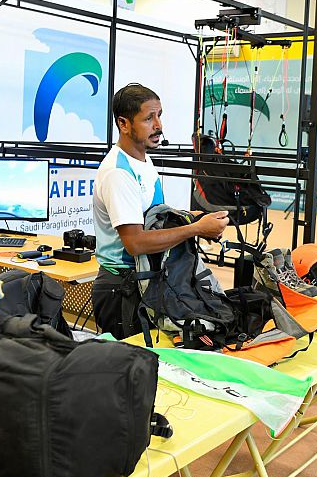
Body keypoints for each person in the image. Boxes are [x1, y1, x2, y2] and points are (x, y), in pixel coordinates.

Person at [91, 83, 229, 340]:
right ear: (123, 124)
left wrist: (193, 218)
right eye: (148, 118)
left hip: (146, 280)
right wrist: (195, 229)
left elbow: (152, 216)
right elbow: (135, 242)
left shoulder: (142, 160)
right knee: (130, 364)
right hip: (123, 290)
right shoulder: (118, 173)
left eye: (159, 115)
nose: (159, 125)